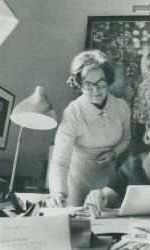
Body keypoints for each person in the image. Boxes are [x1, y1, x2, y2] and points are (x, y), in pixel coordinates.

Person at [47, 50, 131, 207]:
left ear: (108, 80)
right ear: (79, 84)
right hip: (77, 182)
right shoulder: (73, 112)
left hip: (109, 184)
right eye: (88, 84)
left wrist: (114, 153)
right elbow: (59, 161)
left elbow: (126, 139)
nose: (96, 91)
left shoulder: (122, 107)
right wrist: (58, 193)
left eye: (101, 82)